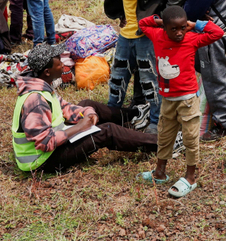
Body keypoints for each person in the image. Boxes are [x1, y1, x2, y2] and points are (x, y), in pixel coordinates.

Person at [13, 44, 158, 173]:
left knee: (88, 104)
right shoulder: (36, 100)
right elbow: (45, 143)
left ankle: (135, 115)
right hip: (42, 161)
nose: (64, 65)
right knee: (107, 131)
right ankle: (161, 144)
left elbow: (65, 107)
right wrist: (80, 127)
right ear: (47, 71)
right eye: (59, 63)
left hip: (53, 144)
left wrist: (88, 112)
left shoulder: (42, 85)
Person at [138, 7, 225, 196]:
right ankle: (160, 172)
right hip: (167, 100)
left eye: (182, 28)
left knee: (190, 139)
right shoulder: (158, 36)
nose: (179, 33)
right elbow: (143, 23)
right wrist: (161, 21)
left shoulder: (191, 38)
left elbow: (217, 32)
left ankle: (190, 177)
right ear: (165, 28)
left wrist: (196, 25)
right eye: (174, 29)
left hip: (187, 101)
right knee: (164, 136)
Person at [104, 0, 185, 132]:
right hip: (125, 35)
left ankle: (156, 123)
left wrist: (163, 21)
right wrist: (121, 12)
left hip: (145, 37)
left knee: (150, 82)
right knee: (117, 78)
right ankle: (111, 115)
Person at [169, 0, 226, 140]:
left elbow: (190, 11)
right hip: (207, 28)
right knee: (210, 74)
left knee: (215, 75)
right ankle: (216, 112)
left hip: (212, 32)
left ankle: (223, 123)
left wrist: (191, 9)